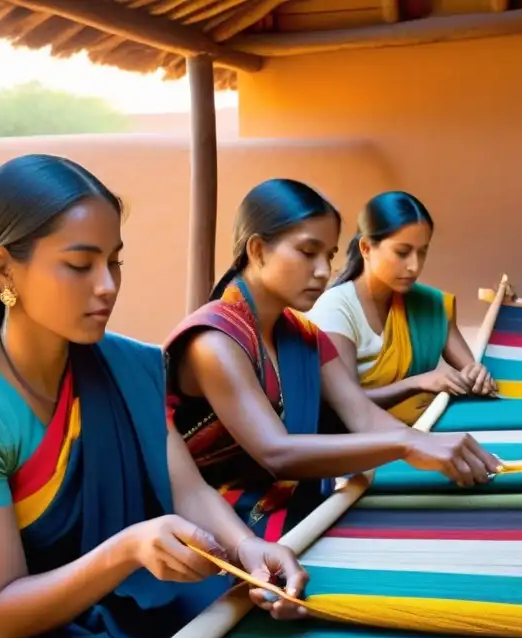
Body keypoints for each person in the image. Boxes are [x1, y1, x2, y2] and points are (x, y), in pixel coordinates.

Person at [0, 155, 307, 638]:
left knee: (239, 623)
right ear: (4, 269)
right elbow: (3, 612)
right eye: (79, 264)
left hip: (113, 597)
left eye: (114, 260)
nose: (108, 285)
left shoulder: (127, 366)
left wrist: (248, 549)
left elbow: (187, 487)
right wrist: (127, 550)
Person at [164, 179, 500, 542]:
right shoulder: (214, 341)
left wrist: (431, 444)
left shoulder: (304, 335)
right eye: (308, 252)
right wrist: (407, 444)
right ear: (258, 250)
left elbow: (361, 414)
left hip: (292, 508)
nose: (324, 271)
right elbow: (276, 452)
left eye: (329, 254)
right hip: (209, 526)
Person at [306, 190, 497, 426]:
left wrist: (478, 375)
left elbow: (471, 372)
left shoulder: (431, 305)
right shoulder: (336, 309)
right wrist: (417, 383)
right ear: (366, 248)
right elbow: (344, 403)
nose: (414, 266)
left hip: (423, 432)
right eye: (402, 253)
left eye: (422, 252)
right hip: (358, 447)